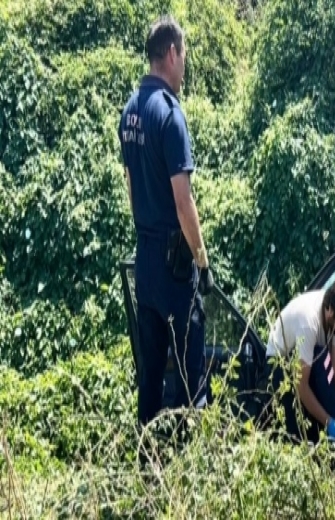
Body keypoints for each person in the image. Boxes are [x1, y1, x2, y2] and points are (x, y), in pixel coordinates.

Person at [119, 15, 214, 428]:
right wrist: (202, 260)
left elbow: (130, 185)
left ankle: (147, 465)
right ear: (171, 53)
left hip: (146, 258)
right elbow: (183, 201)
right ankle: (190, 465)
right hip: (176, 266)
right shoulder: (170, 115)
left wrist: (147, 229)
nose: (185, 65)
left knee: (152, 373)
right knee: (192, 374)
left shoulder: (131, 110)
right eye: (185, 55)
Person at [261, 276, 335, 444]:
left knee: (330, 408)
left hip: (309, 360)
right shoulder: (308, 324)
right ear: (329, 310)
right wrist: (328, 422)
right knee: (297, 435)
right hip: (280, 366)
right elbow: (301, 385)